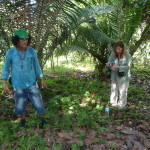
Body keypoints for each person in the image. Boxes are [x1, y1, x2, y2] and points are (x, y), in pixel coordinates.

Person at [2, 29, 47, 127]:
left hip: (31, 82)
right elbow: (6, 68)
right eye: (22, 39)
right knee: (20, 103)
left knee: (38, 101)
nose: (24, 41)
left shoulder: (31, 51)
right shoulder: (10, 53)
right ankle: (22, 121)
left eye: (26, 39)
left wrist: (41, 78)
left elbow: (36, 65)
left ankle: (42, 119)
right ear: (16, 40)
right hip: (18, 84)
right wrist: (4, 82)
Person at [106, 41, 131, 108]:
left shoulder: (127, 54)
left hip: (124, 77)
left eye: (119, 49)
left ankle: (121, 105)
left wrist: (118, 67)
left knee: (123, 91)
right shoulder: (112, 54)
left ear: (123, 48)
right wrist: (109, 64)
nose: (117, 50)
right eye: (116, 49)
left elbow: (127, 67)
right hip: (114, 75)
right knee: (114, 89)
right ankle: (113, 103)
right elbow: (110, 61)